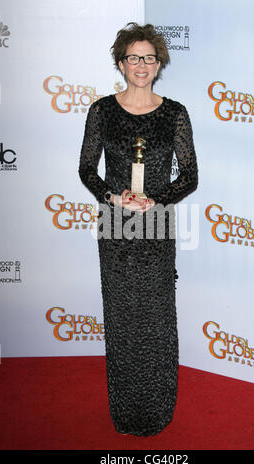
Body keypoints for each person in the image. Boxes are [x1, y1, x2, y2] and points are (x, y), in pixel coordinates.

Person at [79, 22, 198, 437]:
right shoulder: (102, 111)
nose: (142, 65)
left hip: (157, 224)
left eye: (149, 57)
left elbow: (190, 176)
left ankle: (157, 407)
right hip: (115, 225)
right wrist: (112, 196)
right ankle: (126, 411)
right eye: (134, 57)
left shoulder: (175, 113)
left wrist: (157, 200)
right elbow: (86, 169)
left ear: (159, 62)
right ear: (121, 62)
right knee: (122, 316)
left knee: (157, 316)